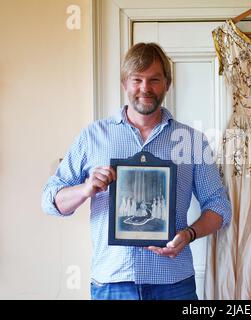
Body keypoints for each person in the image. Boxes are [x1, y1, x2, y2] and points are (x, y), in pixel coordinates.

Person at [42, 42, 231, 300]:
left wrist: (189, 234)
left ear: (167, 84)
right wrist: (86, 188)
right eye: (137, 79)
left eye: (154, 79)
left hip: (174, 283)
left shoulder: (193, 141)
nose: (145, 88)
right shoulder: (93, 137)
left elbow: (219, 206)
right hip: (112, 283)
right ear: (124, 83)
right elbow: (51, 200)